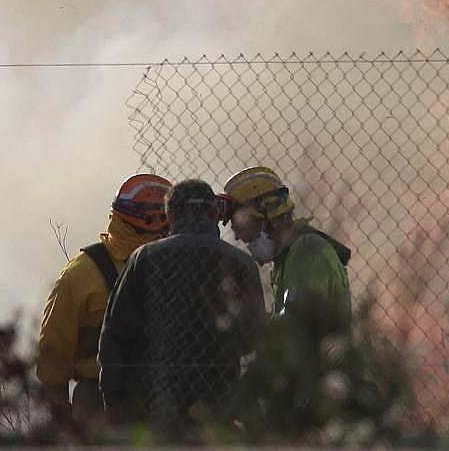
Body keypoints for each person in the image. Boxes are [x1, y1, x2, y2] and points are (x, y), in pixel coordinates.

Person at [99, 179, 264, 438]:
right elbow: (254, 338)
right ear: (214, 214)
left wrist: (113, 398)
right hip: (217, 401)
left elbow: (115, 333)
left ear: (170, 216)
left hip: (153, 400)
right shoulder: (241, 264)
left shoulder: (145, 259)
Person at [36, 173, 171, 422]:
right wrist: (61, 418)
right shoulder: (81, 275)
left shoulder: (174, 263)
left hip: (168, 393)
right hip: (100, 399)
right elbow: (53, 354)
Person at [223, 166, 352, 333]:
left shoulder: (306, 250)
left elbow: (295, 326)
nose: (238, 237)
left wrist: (250, 323)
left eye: (244, 226)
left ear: (270, 217)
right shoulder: (289, 257)